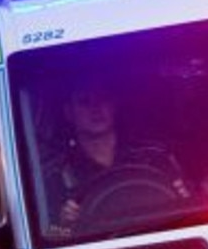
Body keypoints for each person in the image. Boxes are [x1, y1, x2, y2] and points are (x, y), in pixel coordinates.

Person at [48, 84, 185, 235]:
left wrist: (185, 197)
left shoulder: (154, 155)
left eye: (103, 99)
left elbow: (188, 210)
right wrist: (64, 225)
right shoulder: (59, 175)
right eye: (84, 102)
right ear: (69, 113)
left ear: (114, 106)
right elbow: (50, 236)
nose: (96, 109)